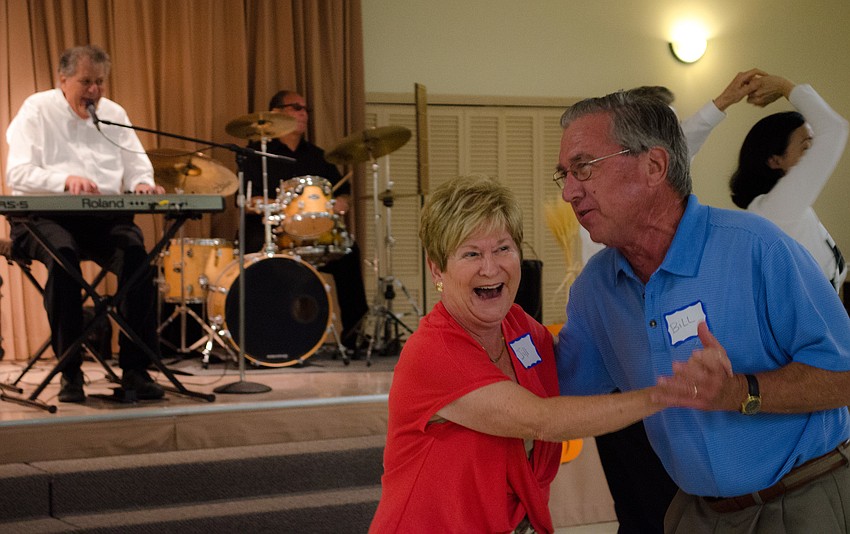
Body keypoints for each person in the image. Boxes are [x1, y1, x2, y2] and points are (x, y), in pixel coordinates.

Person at [555, 90, 850, 532]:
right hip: (697, 513)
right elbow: (560, 394)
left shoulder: (757, 248)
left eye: (584, 168)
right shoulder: (597, 290)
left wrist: (740, 391)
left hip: (803, 501)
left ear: (654, 166)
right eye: (564, 175)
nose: (570, 193)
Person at [368, 175, 718, 533]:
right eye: (471, 253)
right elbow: (541, 420)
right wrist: (666, 394)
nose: (490, 267)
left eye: (503, 248)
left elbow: (588, 372)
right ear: (437, 269)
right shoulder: (434, 351)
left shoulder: (520, 328)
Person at [589, 70, 766, 534]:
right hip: (625, 393)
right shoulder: (612, 212)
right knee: (645, 510)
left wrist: (722, 102)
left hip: (670, 393)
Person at [5, 45, 165, 403]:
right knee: (63, 260)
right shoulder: (37, 109)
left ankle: (136, 370)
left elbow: (137, 162)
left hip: (102, 218)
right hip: (42, 216)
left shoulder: (114, 113)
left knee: (138, 258)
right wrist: (65, 179)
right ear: (63, 80)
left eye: (100, 82)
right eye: (85, 82)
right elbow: (17, 172)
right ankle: (70, 371)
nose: (93, 90)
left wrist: (141, 182)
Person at [242, 90, 368, 349]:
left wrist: (343, 201)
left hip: (314, 234)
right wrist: (276, 206)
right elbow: (246, 201)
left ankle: (355, 336)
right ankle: (265, 339)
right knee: (255, 253)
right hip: (272, 233)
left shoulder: (318, 156)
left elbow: (342, 191)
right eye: (296, 108)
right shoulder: (255, 155)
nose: (303, 114)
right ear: (276, 113)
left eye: (305, 109)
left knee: (349, 252)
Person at [730, 75, 848, 292]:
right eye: (806, 145)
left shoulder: (786, 206)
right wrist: (784, 87)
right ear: (775, 160)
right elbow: (835, 129)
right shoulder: (776, 209)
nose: (815, 152)